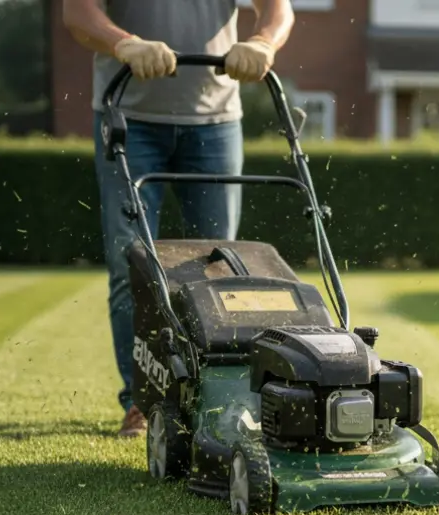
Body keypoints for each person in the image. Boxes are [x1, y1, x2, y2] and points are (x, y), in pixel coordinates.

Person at [63, 0, 296, 437]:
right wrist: (125, 44)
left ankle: (214, 398)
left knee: (219, 271)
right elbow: (78, 13)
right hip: (128, 114)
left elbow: (277, 9)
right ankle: (143, 401)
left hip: (215, 121)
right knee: (131, 264)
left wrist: (263, 42)